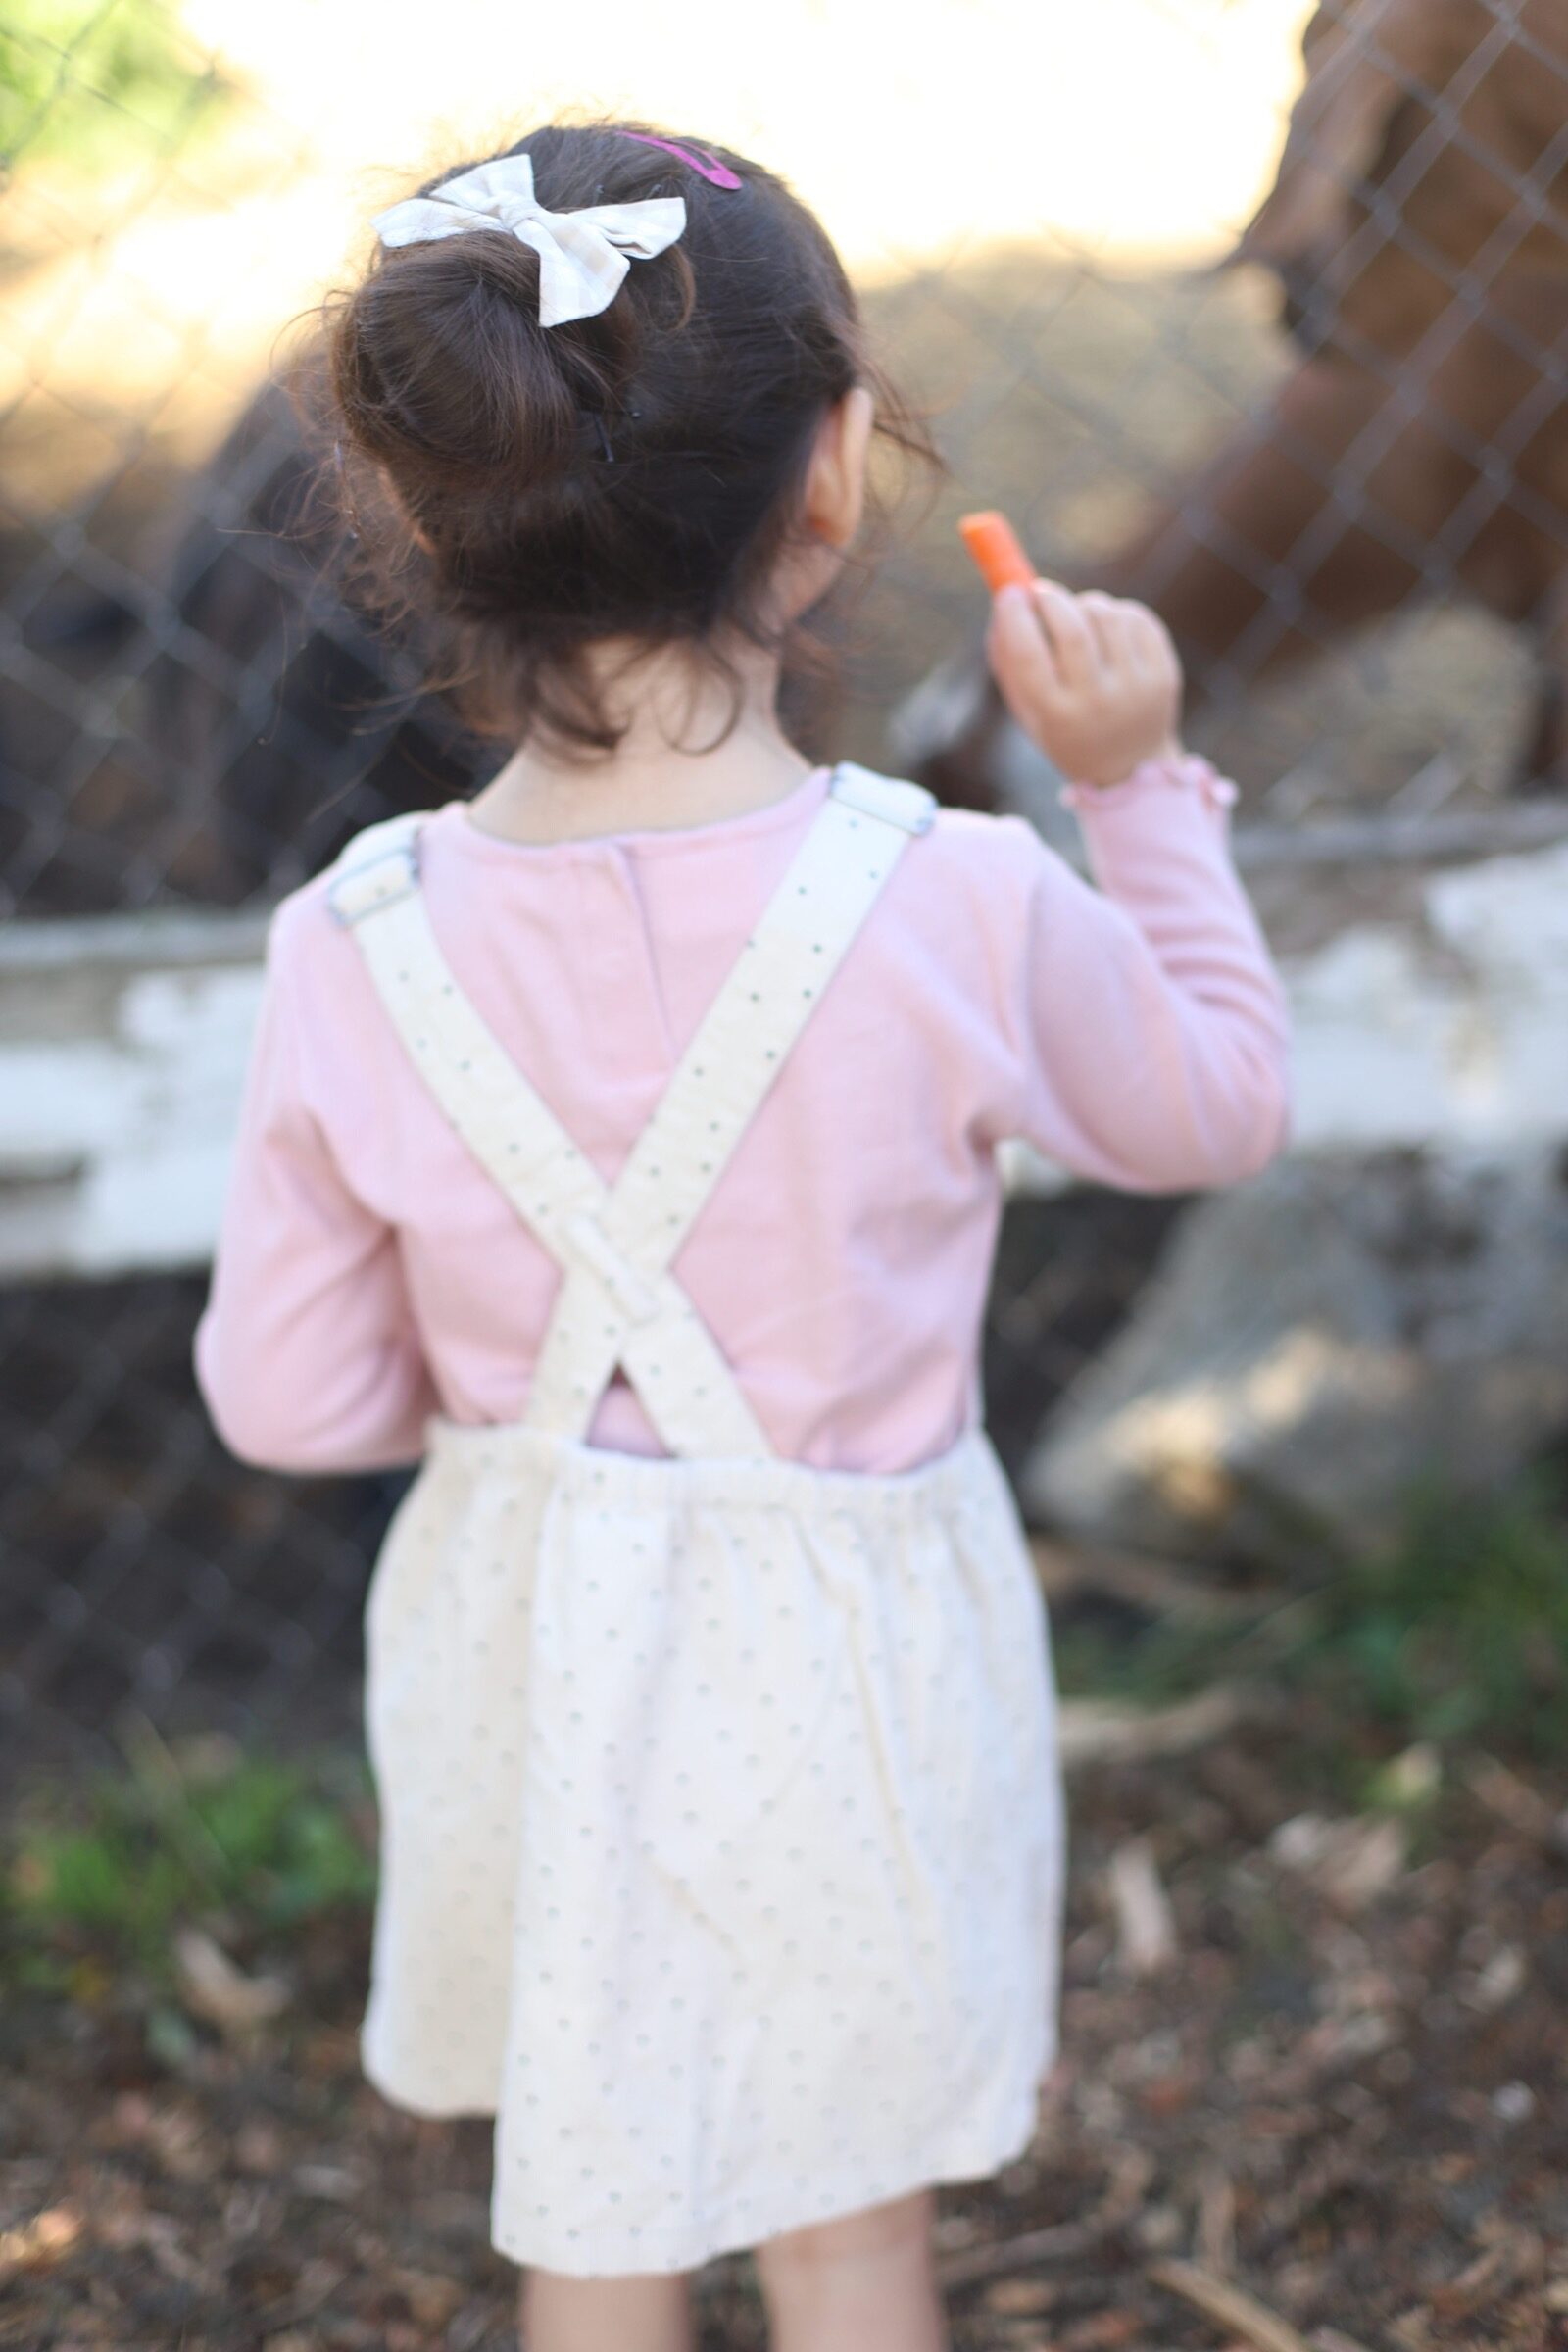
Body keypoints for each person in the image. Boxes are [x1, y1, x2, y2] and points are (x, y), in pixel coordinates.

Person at [195, 120, 1291, 2352]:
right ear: (826, 490)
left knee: (588, 2203)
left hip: (528, 1651)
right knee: (841, 2217)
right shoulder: (947, 902)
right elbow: (1209, 1109)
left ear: (423, 519)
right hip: (849, 1671)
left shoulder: (351, 942)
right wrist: (1138, 794)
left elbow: (290, 1406)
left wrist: (494, 1366)